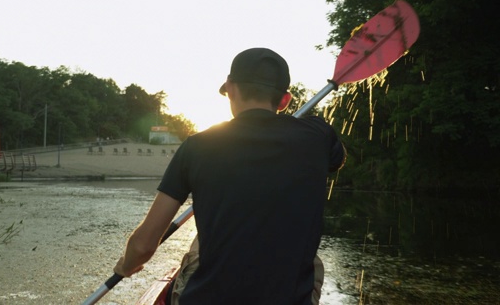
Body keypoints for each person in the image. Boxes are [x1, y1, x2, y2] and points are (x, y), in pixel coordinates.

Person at [114, 47, 346, 304]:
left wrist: (125, 266)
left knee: (197, 251)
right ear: (285, 100)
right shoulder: (318, 137)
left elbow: (144, 246)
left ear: (231, 90)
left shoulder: (197, 146)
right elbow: (336, 160)